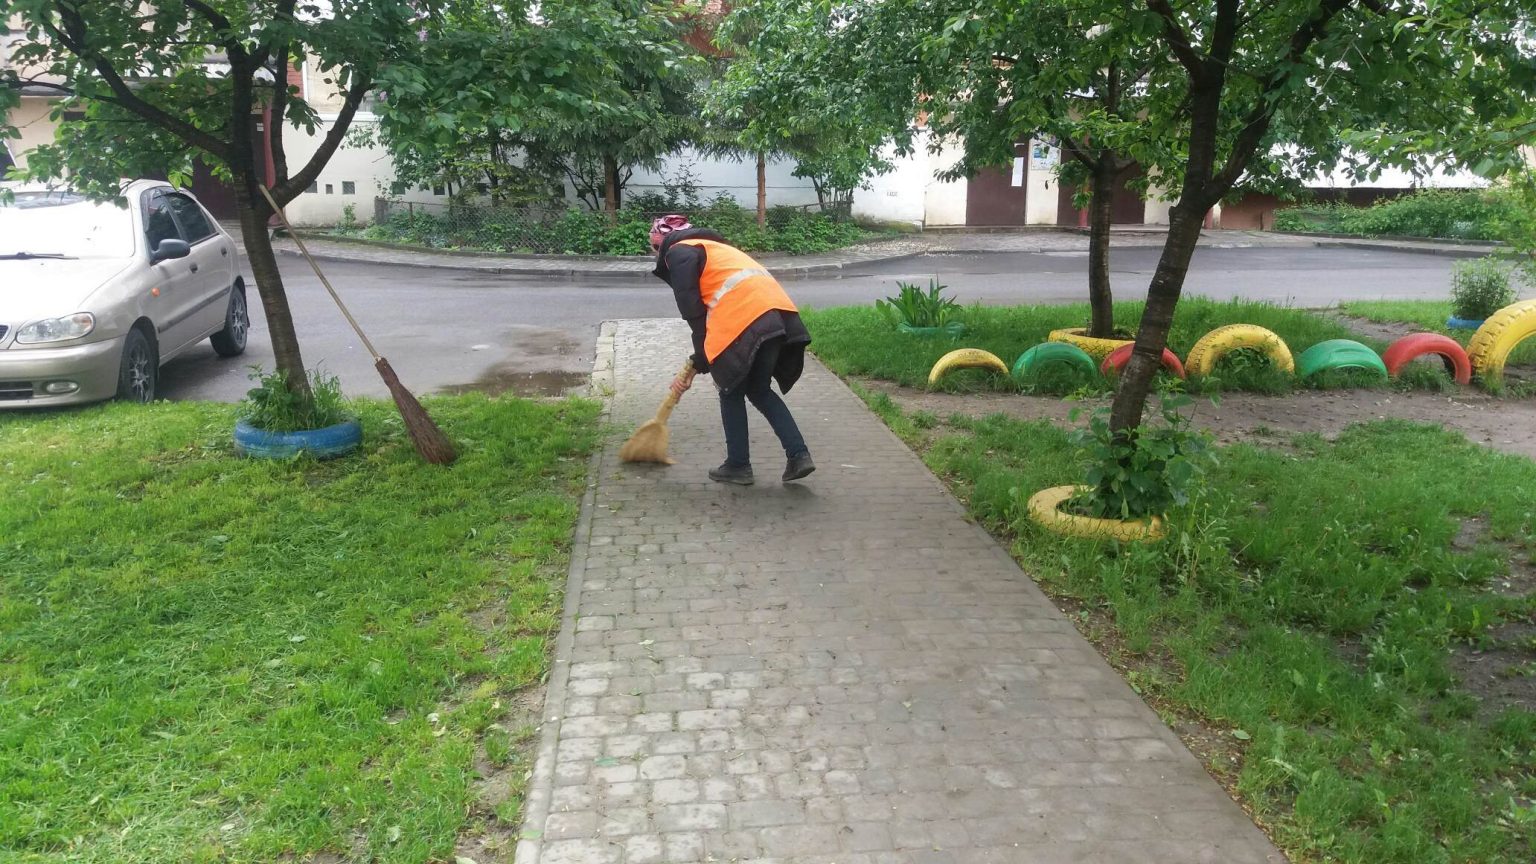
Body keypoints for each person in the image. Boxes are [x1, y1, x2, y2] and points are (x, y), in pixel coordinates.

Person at [650, 214, 815, 486]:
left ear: (661, 244)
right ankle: (799, 456)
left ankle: (738, 465)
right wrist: (698, 360)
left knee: (730, 390)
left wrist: (701, 357)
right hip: (777, 316)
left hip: (745, 318)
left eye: (654, 249)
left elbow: (693, 310)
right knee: (759, 390)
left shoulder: (678, 253)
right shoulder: (715, 247)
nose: (656, 255)